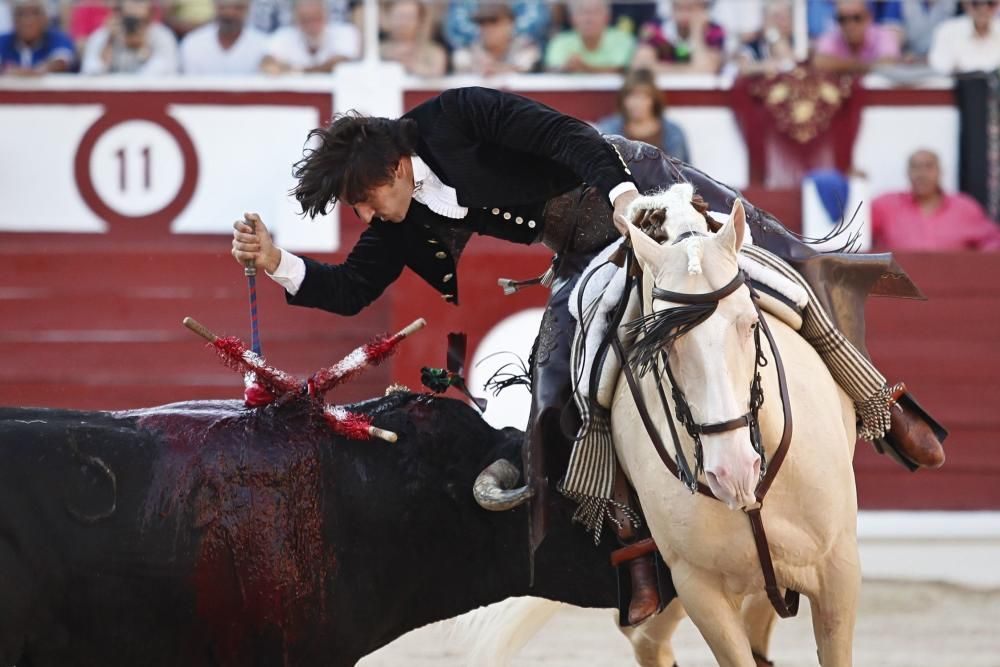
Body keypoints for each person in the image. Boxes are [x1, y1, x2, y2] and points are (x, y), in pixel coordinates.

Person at [229, 86, 947, 626]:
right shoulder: (403, 211)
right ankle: (638, 559)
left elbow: (564, 135)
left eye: (363, 199)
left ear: (393, 165)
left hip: (643, 189)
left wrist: (629, 196)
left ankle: (887, 405)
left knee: (785, 268)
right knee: (557, 388)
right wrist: (277, 261)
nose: (365, 215)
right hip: (578, 248)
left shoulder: (456, 117)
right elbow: (353, 288)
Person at [871, 149, 1000, 251]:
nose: (921, 174)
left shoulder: (965, 207)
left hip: (954, 281)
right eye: (915, 167)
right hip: (896, 282)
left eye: (929, 166)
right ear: (907, 172)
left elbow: (993, 240)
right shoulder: (885, 205)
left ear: (940, 171)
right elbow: (856, 231)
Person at [596, 68, 690, 163]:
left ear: (654, 99)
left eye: (644, 97)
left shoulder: (673, 132)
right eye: (631, 96)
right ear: (623, 99)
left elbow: (684, 174)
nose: (637, 103)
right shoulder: (608, 130)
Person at [80, 0, 179, 75]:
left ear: (150, 9)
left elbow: (163, 74)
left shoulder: (162, 36)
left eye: (139, 2)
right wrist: (109, 42)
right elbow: (91, 72)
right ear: (120, 8)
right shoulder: (103, 35)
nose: (135, 8)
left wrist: (142, 49)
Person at [260, 0, 358, 74]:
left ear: (325, 16)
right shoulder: (283, 36)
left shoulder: (345, 32)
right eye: (305, 20)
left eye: (316, 18)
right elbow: (267, 64)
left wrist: (297, 71)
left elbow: (341, 63)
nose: (312, 25)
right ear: (296, 21)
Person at [631, 0, 726, 75]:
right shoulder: (655, 28)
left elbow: (707, 70)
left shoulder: (714, 31)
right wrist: (692, 69)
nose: (683, 14)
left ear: (702, 9)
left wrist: (697, 34)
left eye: (690, 9)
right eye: (678, 8)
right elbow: (640, 67)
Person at [544, 0, 636, 74]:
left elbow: (622, 71)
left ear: (607, 17)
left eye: (595, 12)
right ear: (572, 18)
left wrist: (585, 68)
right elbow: (549, 70)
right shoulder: (559, 41)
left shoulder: (623, 39)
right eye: (583, 12)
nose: (589, 19)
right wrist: (565, 68)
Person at [451, 2, 541, 75]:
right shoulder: (468, 50)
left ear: (510, 23)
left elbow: (524, 67)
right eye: (482, 23)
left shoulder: (526, 46)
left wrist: (496, 69)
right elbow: (461, 63)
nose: (487, 28)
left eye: (494, 21)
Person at [180, 0, 267, 74]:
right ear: (215, 7)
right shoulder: (193, 43)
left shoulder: (263, 45)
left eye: (237, 8)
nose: (229, 13)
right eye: (224, 7)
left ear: (247, 9)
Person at [813, 0, 901, 73]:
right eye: (842, 19)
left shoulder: (883, 35)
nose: (850, 25)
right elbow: (820, 62)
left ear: (869, 17)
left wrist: (841, 66)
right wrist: (867, 66)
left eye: (857, 18)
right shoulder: (832, 36)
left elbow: (888, 64)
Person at [0, 0, 75, 75]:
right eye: (21, 14)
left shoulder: (59, 38)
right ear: (13, 20)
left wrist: (33, 72)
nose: (28, 21)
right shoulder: (3, 40)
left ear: (45, 18)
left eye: (35, 13)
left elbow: (61, 61)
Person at [928, 0, 1000, 74]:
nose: (983, 9)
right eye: (975, 3)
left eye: (990, 3)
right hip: (959, 84)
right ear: (965, 4)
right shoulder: (947, 31)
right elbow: (940, 67)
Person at [378, 0, 447, 78]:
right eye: (399, 16)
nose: (403, 22)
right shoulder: (376, 51)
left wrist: (411, 65)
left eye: (409, 17)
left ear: (420, 20)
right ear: (388, 17)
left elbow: (437, 73)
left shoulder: (434, 52)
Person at [736, 0, 797, 75]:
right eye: (777, 16)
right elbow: (742, 67)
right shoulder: (753, 45)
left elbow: (789, 63)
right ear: (765, 19)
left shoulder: (798, 42)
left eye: (786, 16)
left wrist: (775, 37)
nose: (782, 21)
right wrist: (763, 67)